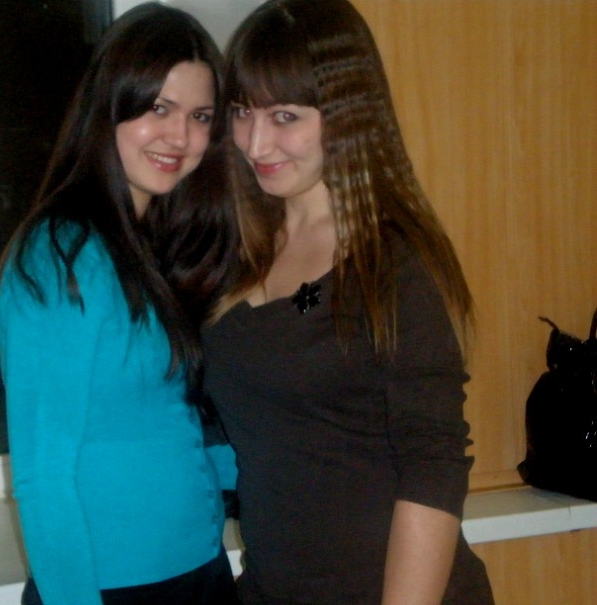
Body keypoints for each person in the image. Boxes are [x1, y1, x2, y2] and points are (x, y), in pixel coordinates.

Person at [202, 1, 495, 604]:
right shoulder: (241, 249)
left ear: (345, 115)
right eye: (243, 111)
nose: (255, 142)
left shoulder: (391, 264)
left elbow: (432, 464)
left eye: (285, 116)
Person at [0, 4, 240, 604]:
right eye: (159, 108)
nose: (180, 137)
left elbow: (164, 422)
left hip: (197, 569)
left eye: (200, 116)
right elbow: (44, 474)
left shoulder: (149, 243)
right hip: (114, 589)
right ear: (109, 107)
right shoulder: (62, 253)